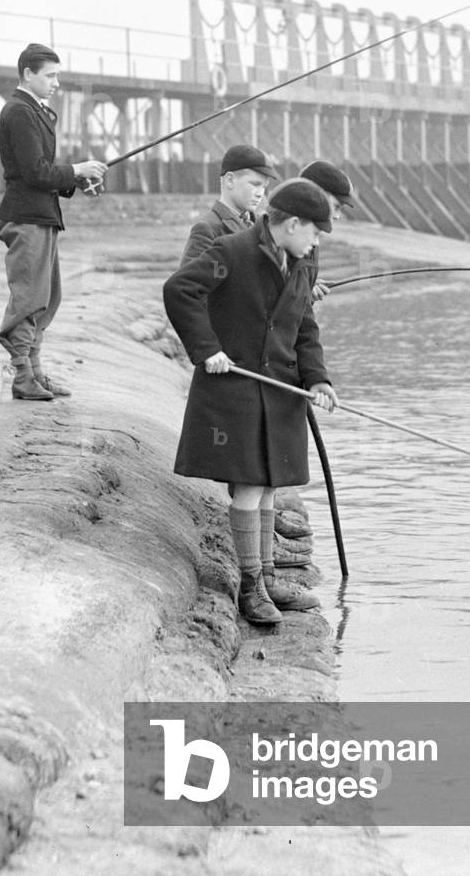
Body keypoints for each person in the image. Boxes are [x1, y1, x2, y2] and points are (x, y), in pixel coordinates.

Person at [163, 178, 339, 625]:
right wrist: (207, 350)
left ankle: (266, 577)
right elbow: (180, 290)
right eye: (315, 232)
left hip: (280, 391)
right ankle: (250, 586)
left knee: (266, 486)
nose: (317, 241)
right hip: (235, 390)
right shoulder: (232, 251)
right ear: (293, 223)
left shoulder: (302, 262)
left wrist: (318, 379)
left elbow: (304, 327)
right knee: (247, 486)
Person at [0, 43, 107, 400]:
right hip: (26, 218)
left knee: (46, 298)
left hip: (41, 216)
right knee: (29, 298)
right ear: (28, 74)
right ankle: (23, 377)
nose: (56, 82)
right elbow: (33, 172)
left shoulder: (36, 111)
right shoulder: (19, 112)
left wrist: (76, 181)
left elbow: (42, 174)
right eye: (51, 75)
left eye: (57, 75)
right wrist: (75, 170)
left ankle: (36, 374)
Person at [179, 144, 278, 267]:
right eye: (255, 184)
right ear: (230, 180)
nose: (260, 194)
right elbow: (189, 283)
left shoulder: (263, 225)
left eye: (264, 187)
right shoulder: (208, 230)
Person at [298, 160, 357, 302]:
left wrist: (308, 284)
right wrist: (302, 289)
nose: (337, 216)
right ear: (316, 194)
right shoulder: (283, 235)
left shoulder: (312, 236)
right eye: (336, 206)